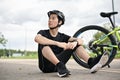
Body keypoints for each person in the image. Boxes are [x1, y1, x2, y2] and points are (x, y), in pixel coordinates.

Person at [34, 10, 108, 77]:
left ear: (60, 22)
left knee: (75, 43)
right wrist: (58, 43)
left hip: (60, 66)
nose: (49, 20)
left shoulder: (63, 36)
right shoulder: (43, 32)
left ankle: (91, 62)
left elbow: (80, 40)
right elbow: (37, 38)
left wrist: (75, 43)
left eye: (53, 18)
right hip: (46, 67)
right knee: (43, 42)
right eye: (49, 18)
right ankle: (59, 65)